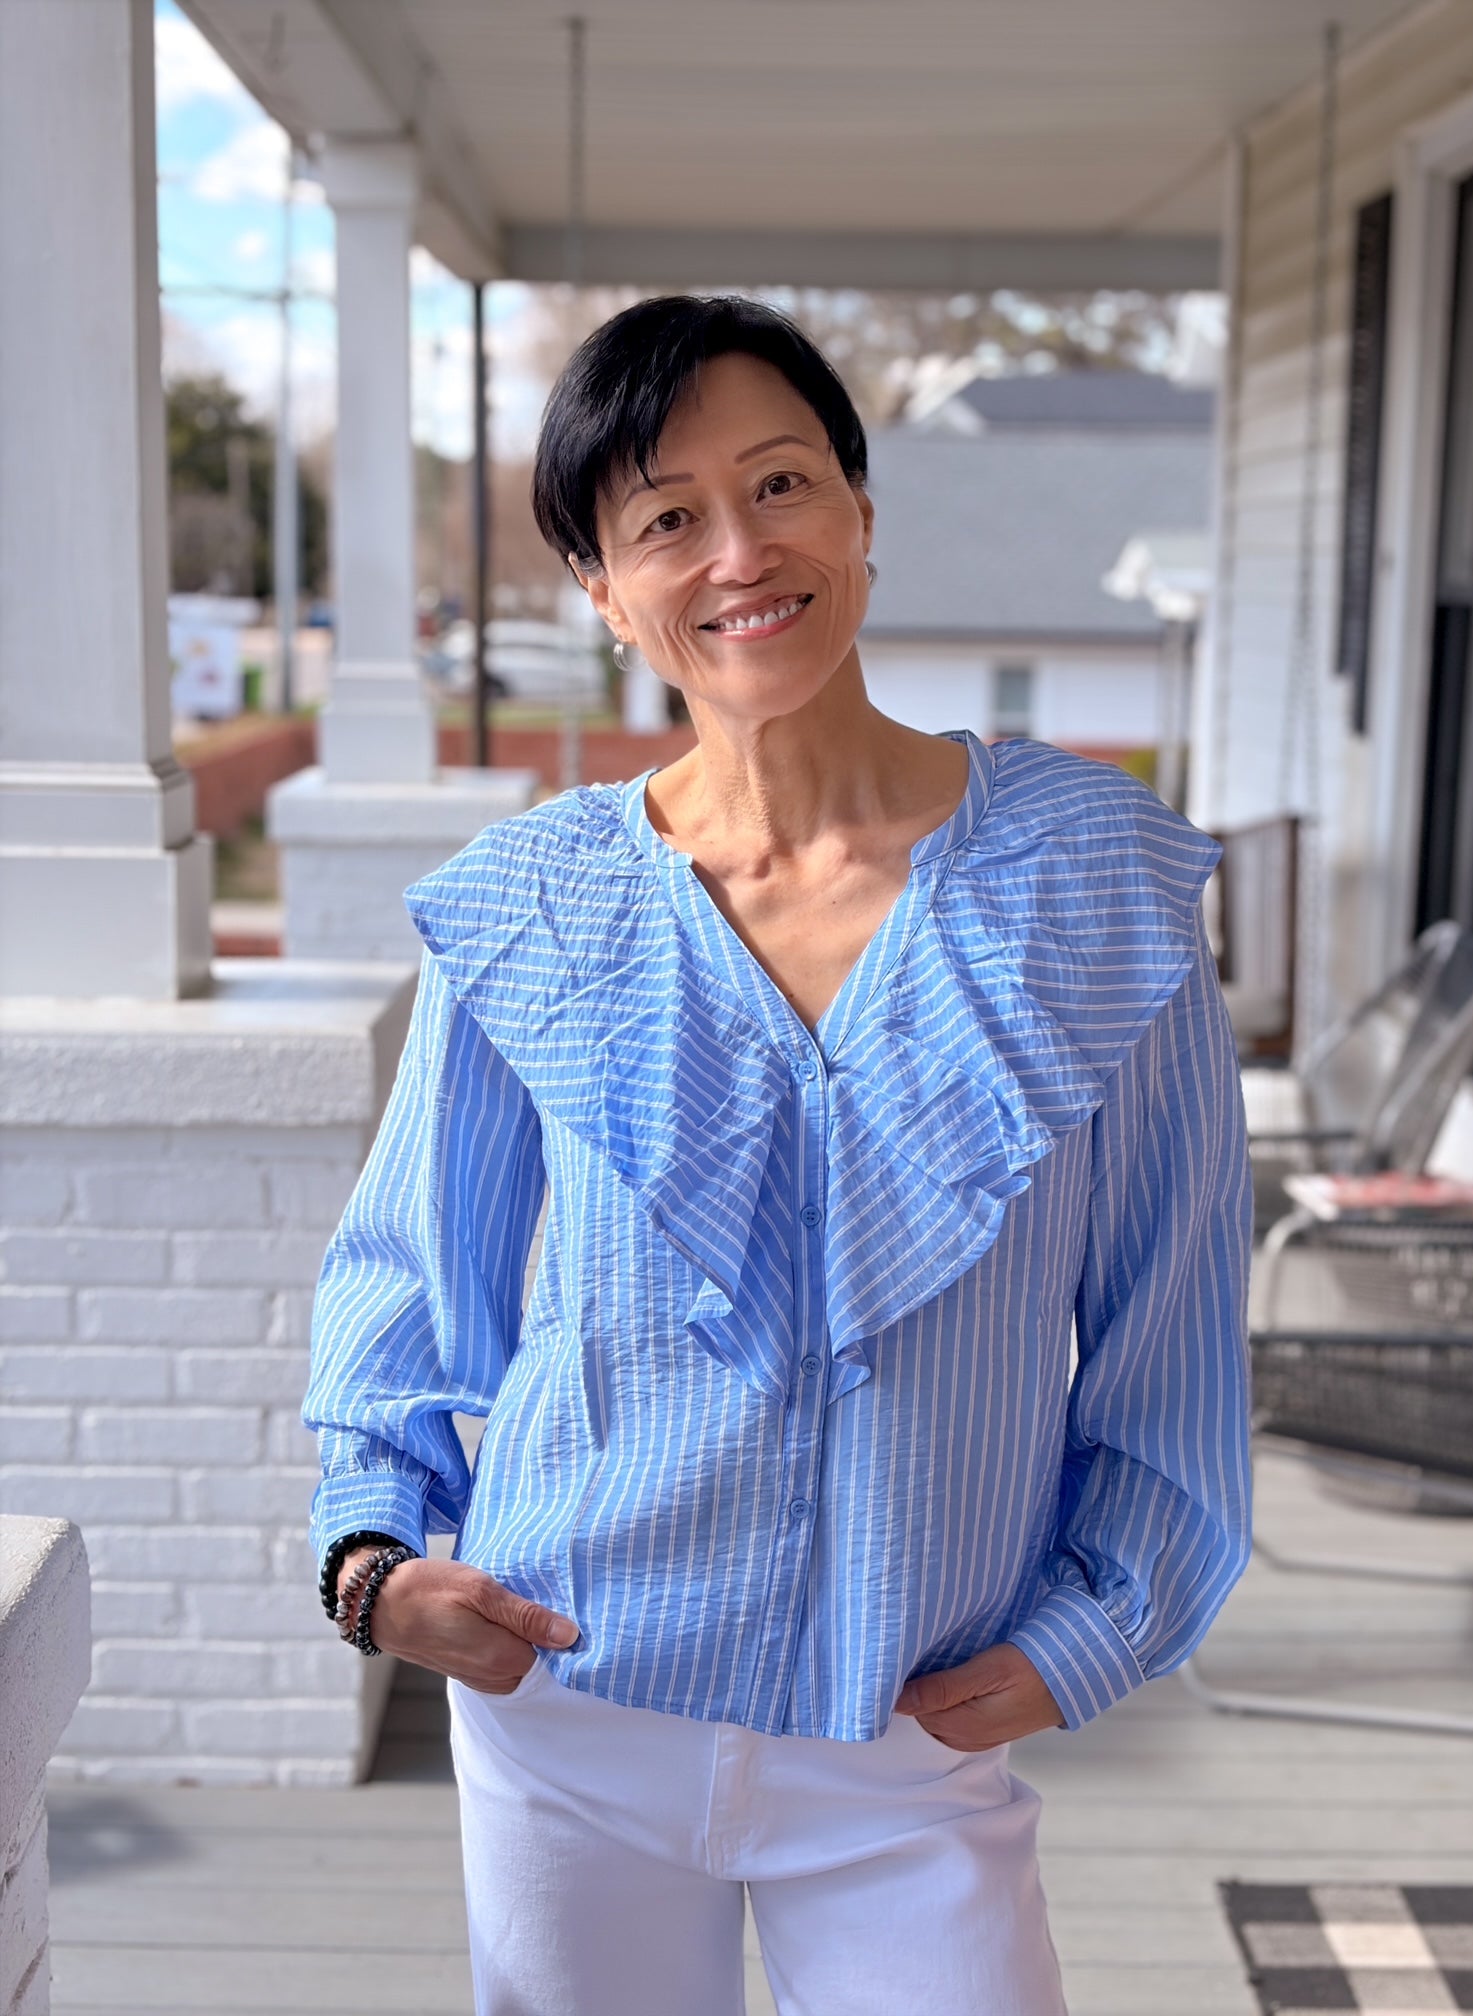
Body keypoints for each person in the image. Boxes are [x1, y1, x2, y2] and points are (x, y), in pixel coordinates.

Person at [302, 294, 1254, 2016]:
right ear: (605, 591)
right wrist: (372, 1564)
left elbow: (1171, 1313)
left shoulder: (1097, 889)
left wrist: (1098, 1626)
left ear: (862, 512)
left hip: (913, 1732)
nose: (741, 552)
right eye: (667, 517)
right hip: (569, 1710)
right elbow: (409, 1280)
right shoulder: (533, 908)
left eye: (782, 484)